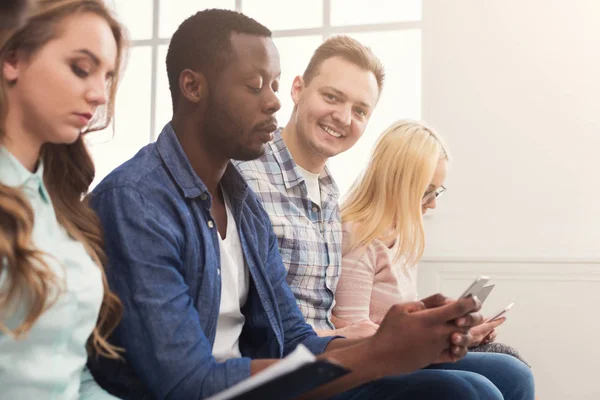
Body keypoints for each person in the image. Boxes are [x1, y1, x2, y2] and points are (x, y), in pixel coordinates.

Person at [87, 9, 496, 400]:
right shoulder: (135, 202)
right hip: (216, 390)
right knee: (462, 393)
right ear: (193, 87)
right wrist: (377, 353)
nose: (273, 103)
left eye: (274, 86)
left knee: (483, 386)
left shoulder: (241, 203)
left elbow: (293, 338)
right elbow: (187, 385)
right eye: (254, 86)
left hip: (262, 385)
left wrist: (399, 334)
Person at [236, 40, 535, 399]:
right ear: (297, 89)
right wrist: (380, 339)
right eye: (332, 97)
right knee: (469, 392)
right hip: (295, 364)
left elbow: (330, 318)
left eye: (360, 110)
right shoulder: (247, 181)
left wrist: (425, 332)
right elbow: (272, 327)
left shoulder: (329, 192)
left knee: (512, 374)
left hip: (332, 351)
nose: (344, 118)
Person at [0, 0, 125, 398]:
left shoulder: (62, 208)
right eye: (81, 69)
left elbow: (71, 373)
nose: (100, 95)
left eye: (106, 76)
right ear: (13, 59)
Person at [333, 119, 531, 362]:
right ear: (399, 184)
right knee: (509, 366)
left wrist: (456, 330)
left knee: (508, 358)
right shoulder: (357, 238)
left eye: (437, 191)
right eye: (427, 191)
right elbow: (353, 334)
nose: (433, 202)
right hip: (384, 360)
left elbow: (405, 319)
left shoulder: (402, 236)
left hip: (407, 351)